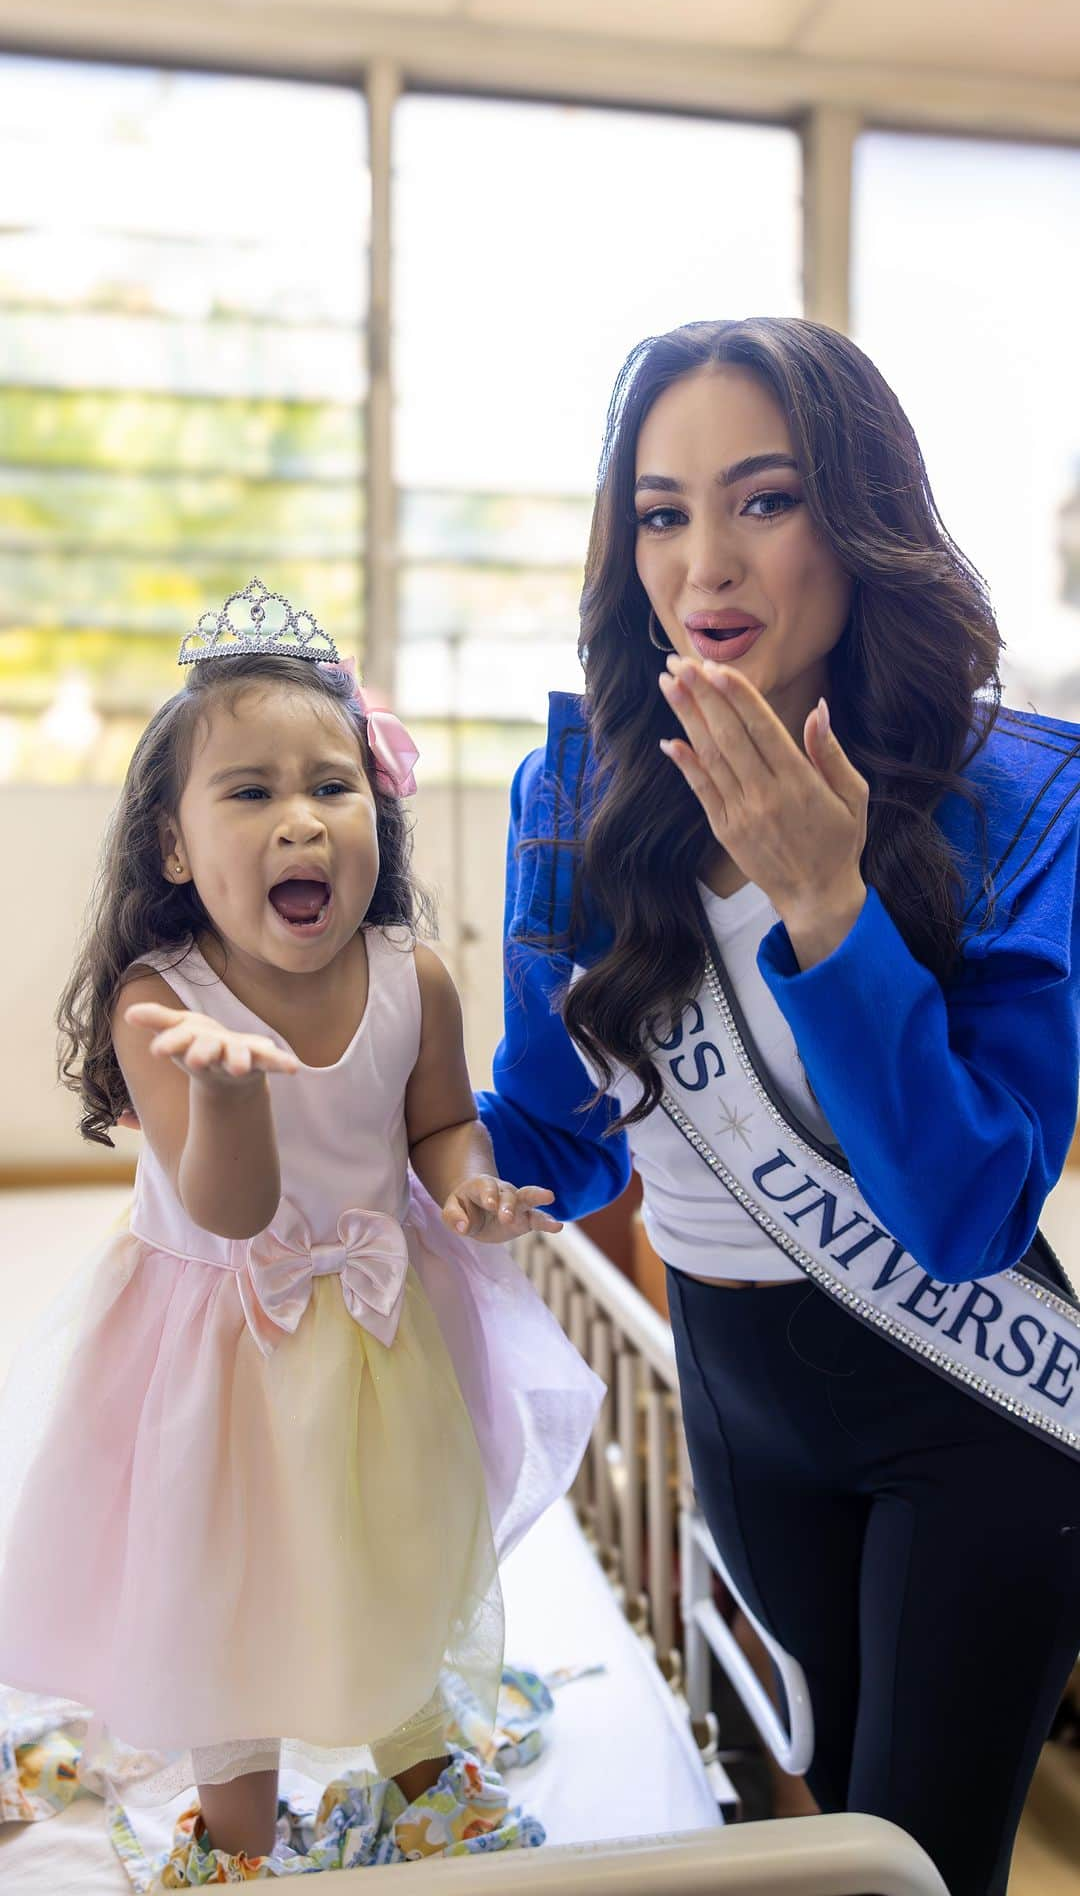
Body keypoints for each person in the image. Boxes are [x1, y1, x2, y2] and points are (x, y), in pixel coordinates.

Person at [477, 318, 1080, 1896]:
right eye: (663, 513)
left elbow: (967, 1214)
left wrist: (830, 910)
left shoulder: (1017, 799)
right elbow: (543, 1137)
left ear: (859, 516)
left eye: (764, 499)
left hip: (976, 1411)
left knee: (912, 1863)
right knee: (817, 1828)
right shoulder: (579, 792)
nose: (705, 564)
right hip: (742, 1399)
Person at [0, 581, 601, 1868]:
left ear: (377, 811)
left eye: (334, 787)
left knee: (389, 1553)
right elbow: (233, 1209)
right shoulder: (163, 1001)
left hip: (383, 1341)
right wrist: (223, 1092)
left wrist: (469, 1185)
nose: (302, 823)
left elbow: (437, 1122)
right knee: (230, 1584)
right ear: (172, 848)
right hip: (219, 1352)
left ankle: (426, 1777)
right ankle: (234, 1832)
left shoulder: (412, 978)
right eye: (251, 793)